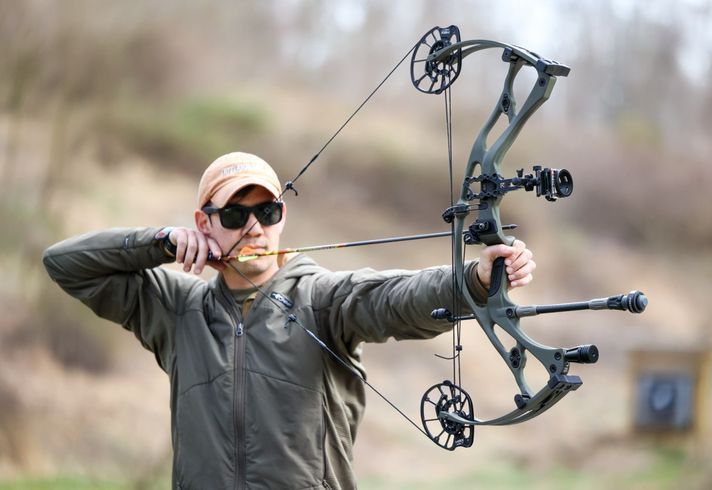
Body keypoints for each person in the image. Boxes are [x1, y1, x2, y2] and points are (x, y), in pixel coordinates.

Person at [43, 152, 535, 489]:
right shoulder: (176, 309)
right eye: (235, 215)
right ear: (204, 223)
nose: (255, 227)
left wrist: (473, 279)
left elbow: (396, 297)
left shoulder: (322, 298)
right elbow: (64, 264)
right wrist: (160, 242)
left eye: (268, 211)